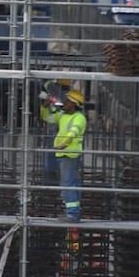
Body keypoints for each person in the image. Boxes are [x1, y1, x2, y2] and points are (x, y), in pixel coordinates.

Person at [42, 88, 87, 221]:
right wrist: (45, 107)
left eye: (67, 101)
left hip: (70, 154)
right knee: (70, 183)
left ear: (74, 104)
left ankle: (72, 214)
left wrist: (63, 145)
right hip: (63, 154)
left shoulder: (79, 118)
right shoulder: (63, 115)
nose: (65, 103)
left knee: (68, 184)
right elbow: (47, 117)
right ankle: (73, 212)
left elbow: (72, 134)